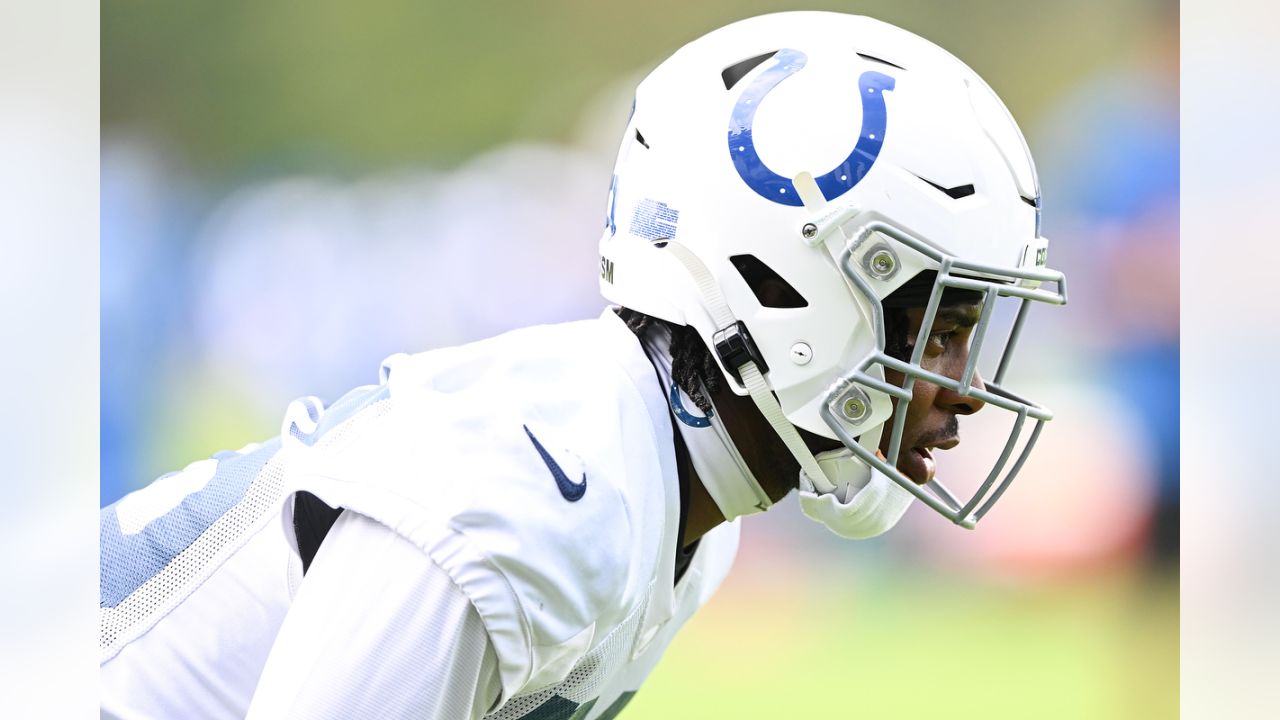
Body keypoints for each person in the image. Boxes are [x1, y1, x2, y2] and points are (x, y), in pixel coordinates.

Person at [100, 11, 1067, 719]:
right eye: (941, 327)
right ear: (796, 291)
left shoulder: (679, 499)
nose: (968, 389)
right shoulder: (537, 498)